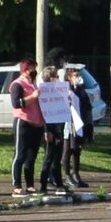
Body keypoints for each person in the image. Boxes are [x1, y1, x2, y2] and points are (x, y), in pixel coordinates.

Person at [6, 58, 43, 196]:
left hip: (36, 124)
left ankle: (30, 185)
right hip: (23, 122)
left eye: (34, 67)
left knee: (31, 156)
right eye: (31, 67)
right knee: (20, 154)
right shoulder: (17, 84)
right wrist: (33, 97)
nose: (34, 70)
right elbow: (16, 103)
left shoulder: (34, 84)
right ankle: (16, 185)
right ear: (25, 69)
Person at [37, 63, 67, 194]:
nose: (57, 79)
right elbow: (44, 113)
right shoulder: (44, 93)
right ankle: (43, 185)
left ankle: (59, 183)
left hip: (58, 128)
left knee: (57, 158)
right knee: (49, 157)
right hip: (49, 129)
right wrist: (46, 131)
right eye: (55, 77)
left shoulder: (59, 92)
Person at [64, 65, 93, 189]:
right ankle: (67, 176)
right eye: (76, 76)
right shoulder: (66, 90)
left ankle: (76, 174)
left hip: (80, 124)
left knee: (77, 150)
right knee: (67, 150)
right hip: (68, 124)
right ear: (69, 78)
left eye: (79, 75)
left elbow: (87, 106)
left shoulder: (81, 90)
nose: (79, 78)